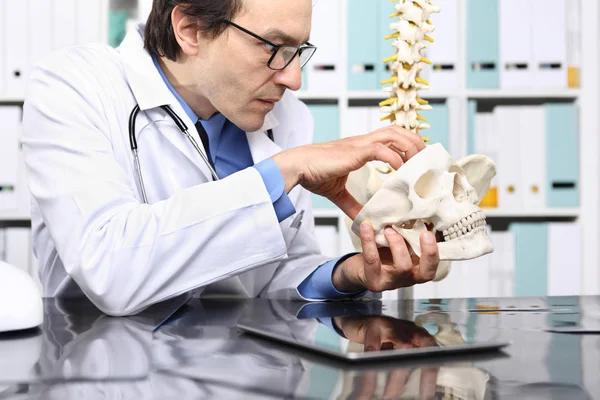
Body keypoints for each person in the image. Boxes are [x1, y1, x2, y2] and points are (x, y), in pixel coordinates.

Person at [21, 0, 440, 316]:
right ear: (190, 30)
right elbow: (108, 269)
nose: (293, 78)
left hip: (242, 372)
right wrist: (285, 170)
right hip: (106, 370)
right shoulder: (73, 86)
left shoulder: (285, 116)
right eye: (274, 47)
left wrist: (347, 274)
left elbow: (276, 273)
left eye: (298, 50)